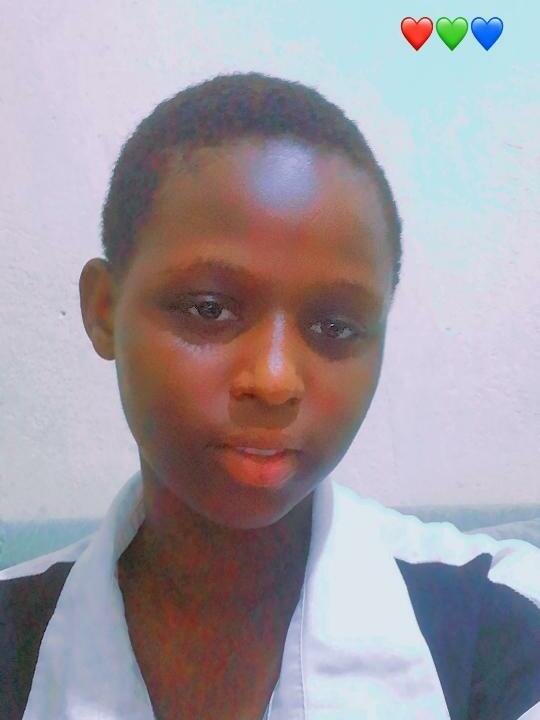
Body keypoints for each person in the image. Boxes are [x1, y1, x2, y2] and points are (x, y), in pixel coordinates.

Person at [1, 71, 539, 720]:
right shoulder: (13, 640)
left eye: (335, 327)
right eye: (209, 309)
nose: (275, 380)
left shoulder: (502, 624)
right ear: (104, 310)